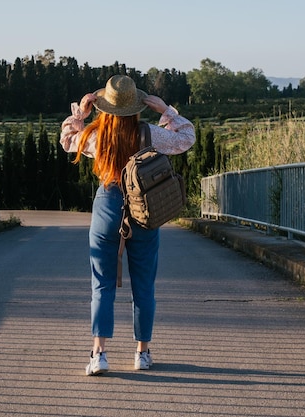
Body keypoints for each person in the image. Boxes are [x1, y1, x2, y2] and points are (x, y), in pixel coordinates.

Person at [60, 75, 195, 376]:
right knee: (144, 285)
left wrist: (80, 113)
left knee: (102, 283)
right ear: (137, 107)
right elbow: (186, 137)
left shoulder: (95, 135)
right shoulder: (149, 134)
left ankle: (99, 354)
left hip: (107, 205)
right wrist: (166, 112)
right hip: (143, 208)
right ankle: (142, 354)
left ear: (104, 107)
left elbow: (67, 140)